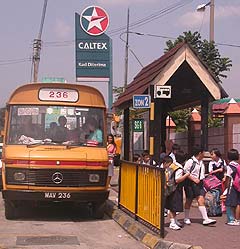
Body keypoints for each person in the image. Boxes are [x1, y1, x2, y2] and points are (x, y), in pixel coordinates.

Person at [183, 146, 217, 226]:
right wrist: (193, 179)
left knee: (201, 199)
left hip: (200, 183)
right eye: (203, 153)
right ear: (200, 153)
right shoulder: (190, 161)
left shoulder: (201, 162)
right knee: (189, 200)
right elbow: (185, 171)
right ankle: (186, 217)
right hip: (190, 183)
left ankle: (205, 219)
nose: (205, 154)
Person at [165, 151, 190, 230]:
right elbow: (177, 180)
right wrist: (186, 175)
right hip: (175, 188)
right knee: (173, 206)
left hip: (169, 188)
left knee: (173, 205)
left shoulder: (173, 165)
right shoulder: (179, 168)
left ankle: (175, 221)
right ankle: (172, 223)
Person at [224, 149, 240, 225]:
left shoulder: (229, 166)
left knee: (229, 203)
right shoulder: (238, 165)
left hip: (232, 187)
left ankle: (231, 219)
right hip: (238, 187)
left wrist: (226, 187)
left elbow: (228, 177)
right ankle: (237, 220)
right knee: (238, 203)